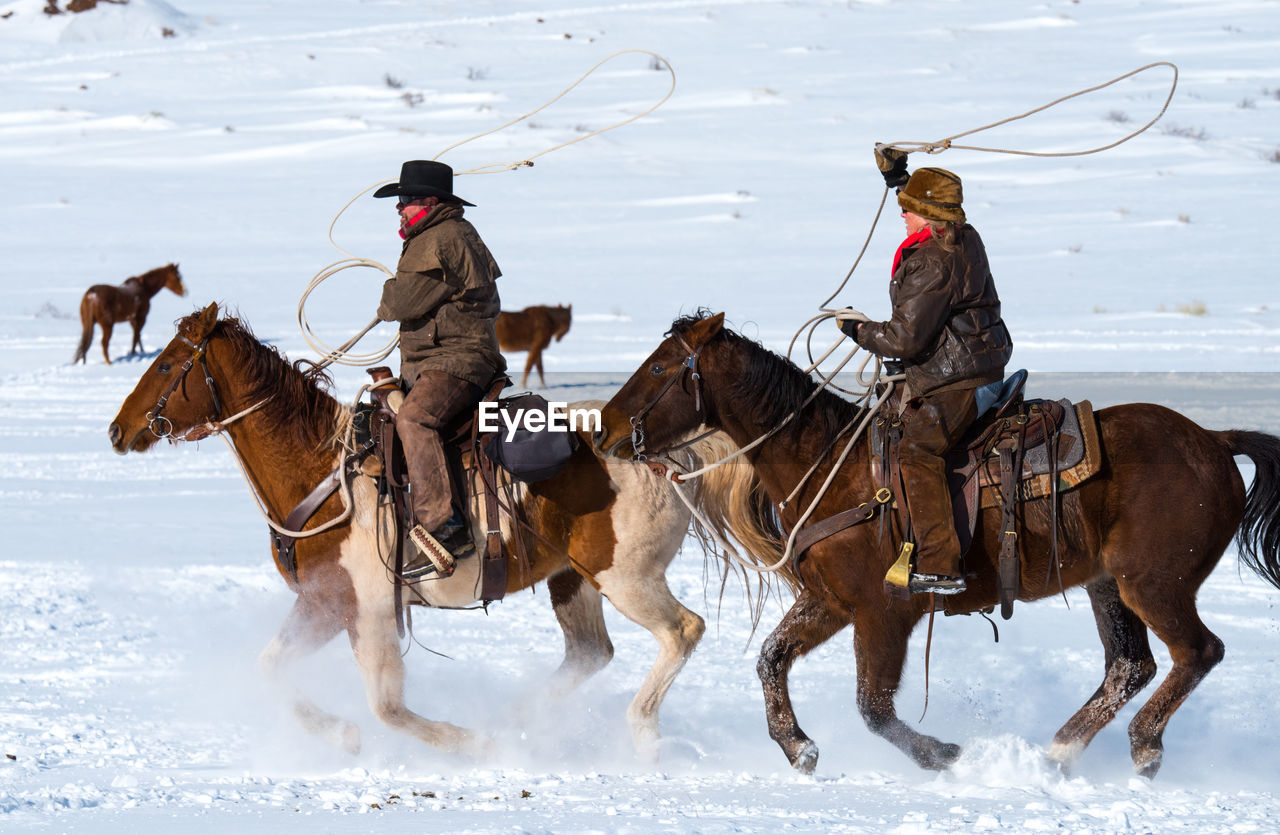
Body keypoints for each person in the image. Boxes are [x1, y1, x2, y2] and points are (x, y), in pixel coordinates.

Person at [841, 160, 1013, 595]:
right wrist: (898, 179)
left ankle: (940, 565)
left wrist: (859, 331)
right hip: (980, 364)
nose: (901, 213)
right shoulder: (962, 237)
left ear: (931, 215)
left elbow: (904, 340)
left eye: (908, 207)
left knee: (917, 452)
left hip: (959, 378)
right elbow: (930, 206)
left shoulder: (932, 261)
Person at [373, 160, 506, 568]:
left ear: (430, 201)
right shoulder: (444, 233)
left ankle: (445, 527)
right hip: (446, 357)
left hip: (458, 359)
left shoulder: (439, 238)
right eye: (399, 200)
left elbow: (398, 303)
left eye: (407, 200)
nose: (400, 207)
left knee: (414, 419)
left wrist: (387, 297)